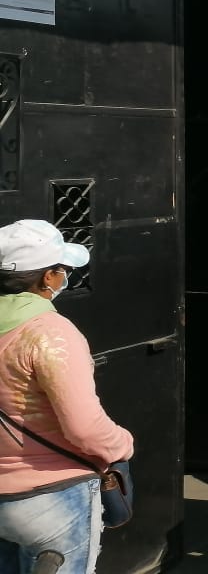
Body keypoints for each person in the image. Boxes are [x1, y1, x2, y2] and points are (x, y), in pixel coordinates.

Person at [0, 220, 134, 574]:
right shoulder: (50, 332)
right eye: (62, 270)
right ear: (47, 278)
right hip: (52, 496)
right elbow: (84, 428)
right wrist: (122, 444)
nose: (64, 278)